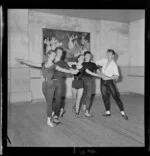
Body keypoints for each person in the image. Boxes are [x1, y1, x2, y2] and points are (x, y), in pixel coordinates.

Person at [17, 50, 56, 127]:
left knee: (49, 104)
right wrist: (23, 61)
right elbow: (32, 63)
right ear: (48, 55)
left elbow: (63, 69)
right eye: (53, 55)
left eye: (55, 55)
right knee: (48, 102)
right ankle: (51, 111)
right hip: (44, 85)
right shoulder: (43, 64)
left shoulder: (54, 65)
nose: (54, 56)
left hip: (51, 85)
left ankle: (48, 120)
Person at [96, 49, 128, 120]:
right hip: (102, 82)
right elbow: (94, 64)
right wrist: (98, 71)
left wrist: (108, 78)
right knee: (104, 96)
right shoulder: (104, 60)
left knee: (115, 97)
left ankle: (123, 113)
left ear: (113, 55)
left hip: (109, 82)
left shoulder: (114, 65)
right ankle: (108, 112)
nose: (108, 55)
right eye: (107, 54)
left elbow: (117, 76)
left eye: (109, 54)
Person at [52, 47, 78, 123]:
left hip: (60, 82)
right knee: (52, 99)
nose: (60, 53)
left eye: (61, 52)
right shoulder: (51, 61)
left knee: (58, 99)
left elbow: (70, 69)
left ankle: (56, 116)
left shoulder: (63, 62)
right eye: (58, 52)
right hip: (50, 82)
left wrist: (75, 70)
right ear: (55, 52)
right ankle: (61, 109)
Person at [81, 51, 104, 117]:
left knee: (88, 94)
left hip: (90, 80)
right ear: (84, 56)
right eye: (87, 55)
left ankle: (87, 111)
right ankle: (84, 104)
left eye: (89, 55)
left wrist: (103, 75)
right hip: (82, 80)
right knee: (85, 93)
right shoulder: (82, 63)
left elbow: (98, 70)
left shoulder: (93, 64)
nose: (88, 57)